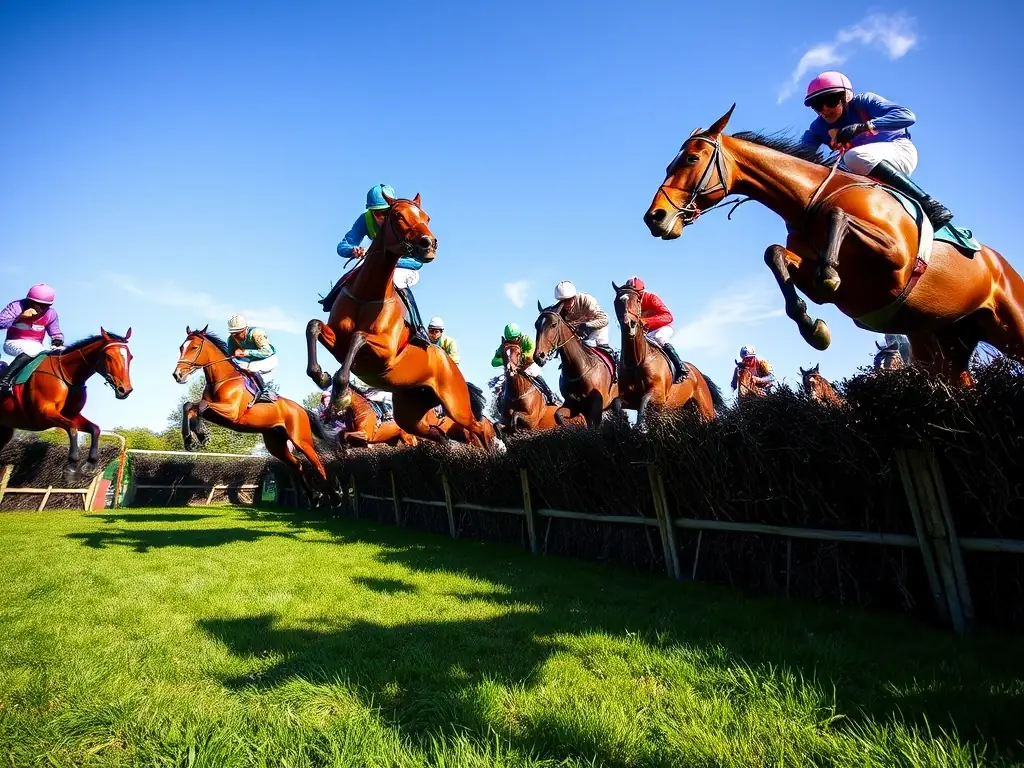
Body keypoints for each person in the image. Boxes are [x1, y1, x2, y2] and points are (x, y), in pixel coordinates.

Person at [800, 71, 953, 230]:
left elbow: (907, 116)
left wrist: (863, 127)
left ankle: (929, 204)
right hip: (860, 168)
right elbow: (800, 155)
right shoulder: (817, 127)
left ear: (846, 96)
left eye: (831, 101)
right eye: (817, 105)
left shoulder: (864, 101)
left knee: (854, 156)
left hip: (899, 150)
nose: (824, 110)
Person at [324, 183, 430, 347]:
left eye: (384, 212)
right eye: (376, 213)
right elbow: (343, 245)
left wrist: (388, 260)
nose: (380, 217)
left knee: (397, 281)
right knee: (353, 276)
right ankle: (330, 300)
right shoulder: (365, 219)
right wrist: (353, 251)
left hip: (404, 266)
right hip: (375, 262)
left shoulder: (402, 219)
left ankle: (418, 328)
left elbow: (417, 262)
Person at [0, 284, 64, 395]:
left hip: (37, 346)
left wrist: (57, 340)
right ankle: (4, 381)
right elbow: (1, 323)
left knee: (62, 353)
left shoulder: (51, 314)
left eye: (44, 305)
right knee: (32, 350)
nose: (39, 308)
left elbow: (56, 332)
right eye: (37, 304)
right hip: (13, 342)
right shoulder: (16, 307)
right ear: (29, 301)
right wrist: (20, 317)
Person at [623, 276, 687, 381]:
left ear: (642, 291)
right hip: (646, 334)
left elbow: (668, 316)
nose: (634, 295)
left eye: (637, 292)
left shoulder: (651, 298)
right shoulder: (630, 302)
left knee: (659, 338)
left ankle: (680, 367)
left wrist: (646, 321)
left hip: (662, 328)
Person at [490, 322, 561, 405]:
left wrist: (519, 358)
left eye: (515, 339)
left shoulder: (526, 340)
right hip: (511, 369)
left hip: (527, 366)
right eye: (510, 340)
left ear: (519, 336)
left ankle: (550, 395)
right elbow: (494, 362)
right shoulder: (503, 346)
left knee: (535, 373)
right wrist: (506, 360)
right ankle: (499, 405)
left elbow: (531, 352)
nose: (513, 341)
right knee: (498, 384)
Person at [552, 281, 616, 359]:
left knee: (602, 348)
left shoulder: (587, 300)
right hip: (579, 335)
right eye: (563, 301)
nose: (566, 304)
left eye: (568, 300)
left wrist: (587, 325)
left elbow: (604, 320)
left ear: (574, 296)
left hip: (597, 329)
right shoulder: (559, 309)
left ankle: (615, 365)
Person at [226, 314, 278, 403]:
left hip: (268, 359)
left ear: (245, 329)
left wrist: (246, 352)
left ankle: (264, 392)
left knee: (251, 368)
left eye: (238, 333)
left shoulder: (256, 333)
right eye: (233, 333)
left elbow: (267, 351)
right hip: (250, 361)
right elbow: (229, 356)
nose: (235, 336)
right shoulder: (231, 339)